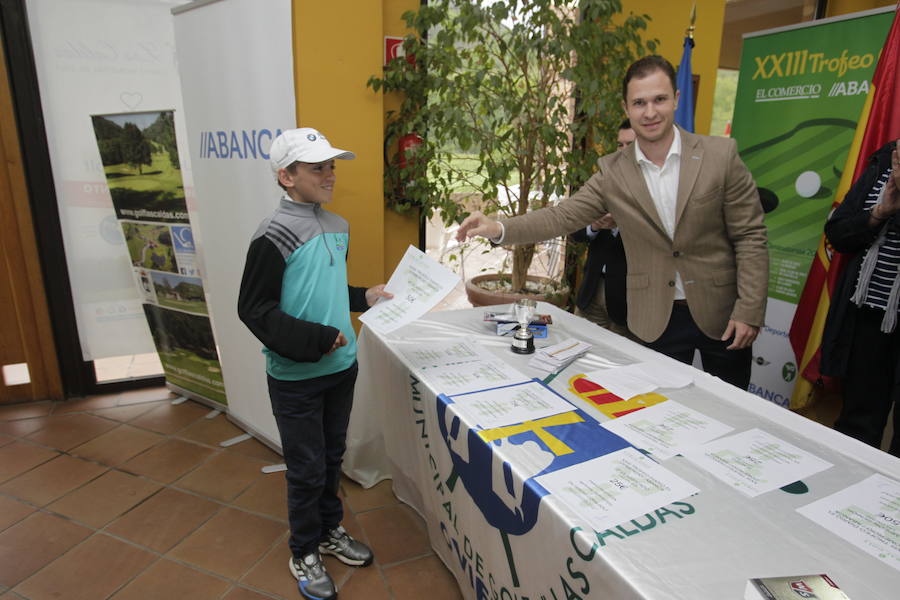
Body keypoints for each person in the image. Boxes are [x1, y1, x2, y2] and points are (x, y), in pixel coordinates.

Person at [457, 56, 768, 390]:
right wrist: (498, 228)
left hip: (723, 316)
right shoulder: (612, 172)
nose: (650, 112)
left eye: (659, 99)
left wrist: (749, 309)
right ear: (627, 107)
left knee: (732, 411)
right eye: (639, 103)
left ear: (676, 98)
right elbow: (562, 216)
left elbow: (750, 236)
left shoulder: (720, 155)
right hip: (654, 320)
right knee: (661, 413)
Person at [237, 127, 392, 600]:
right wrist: (318, 339)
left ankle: (329, 531)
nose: (329, 174)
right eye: (316, 167)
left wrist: (364, 296)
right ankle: (303, 548)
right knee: (305, 469)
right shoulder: (272, 235)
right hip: (297, 378)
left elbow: (323, 291)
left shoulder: (338, 225)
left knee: (330, 458)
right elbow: (254, 309)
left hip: (340, 370)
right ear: (286, 176)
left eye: (331, 165)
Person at [820, 139, 900, 456]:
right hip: (869, 319)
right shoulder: (882, 160)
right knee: (857, 426)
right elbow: (838, 233)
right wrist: (881, 211)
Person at [569, 119, 634, 336]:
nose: (623, 151)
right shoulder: (603, 181)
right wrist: (594, 225)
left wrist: (623, 225)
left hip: (628, 302)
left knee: (618, 366)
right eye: (620, 145)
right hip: (591, 292)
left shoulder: (657, 189)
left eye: (630, 145)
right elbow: (574, 232)